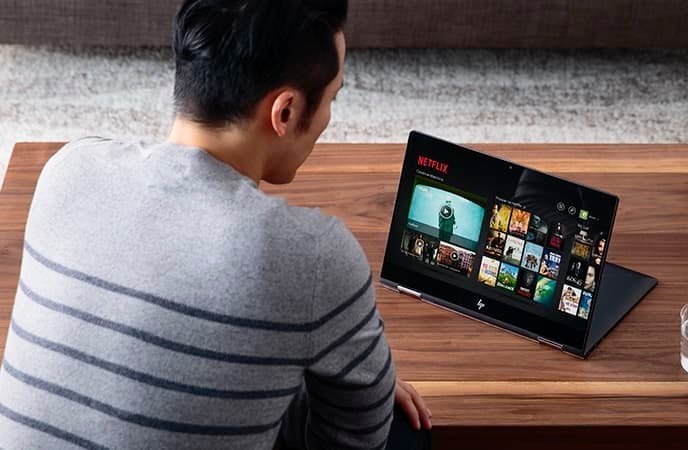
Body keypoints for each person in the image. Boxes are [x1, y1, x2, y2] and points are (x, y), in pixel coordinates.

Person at [0, 1, 432, 449]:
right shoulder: (315, 255)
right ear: (284, 112)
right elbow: (357, 438)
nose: (328, 119)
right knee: (403, 430)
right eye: (332, 97)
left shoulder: (69, 168)